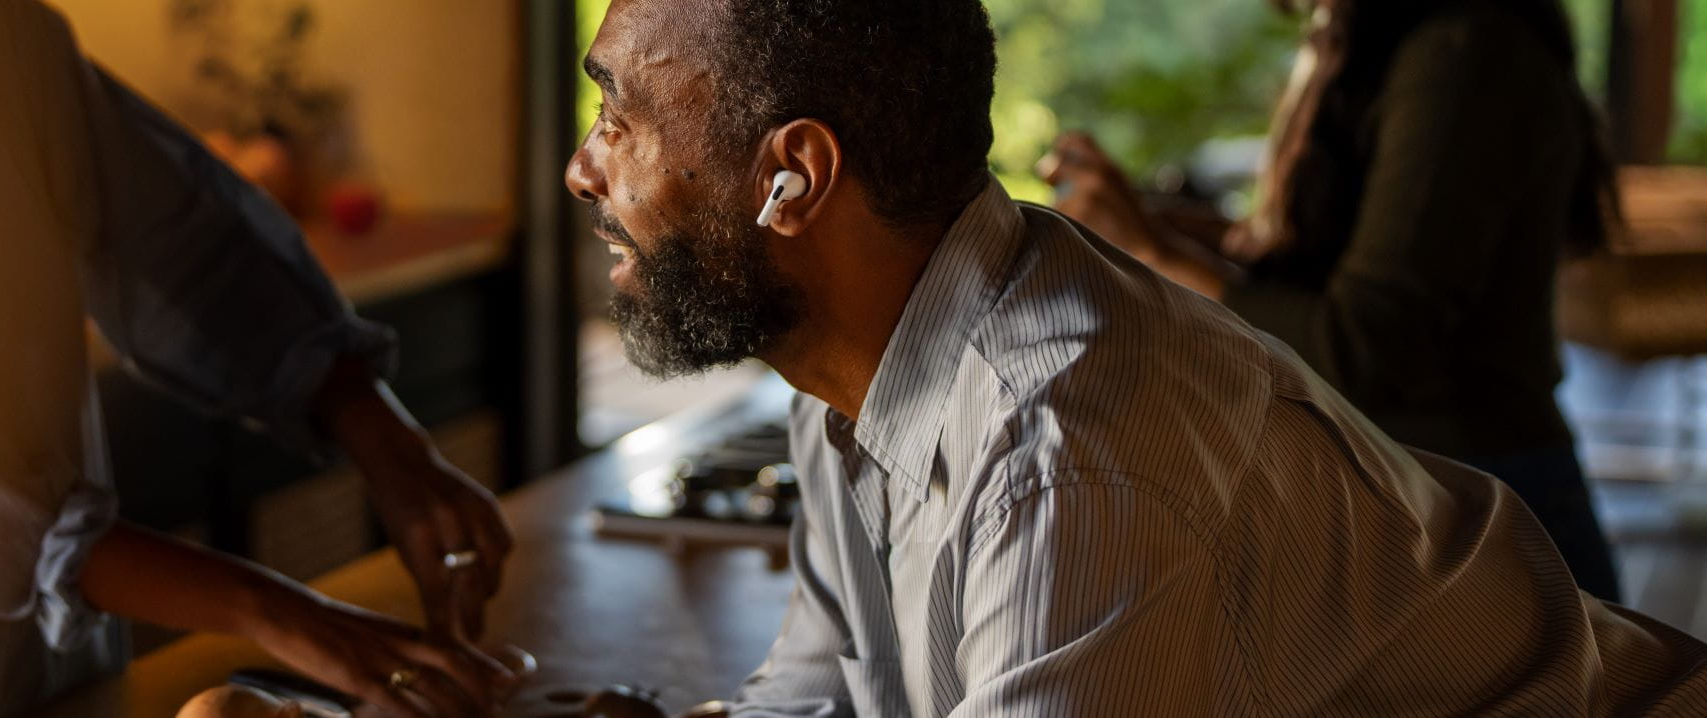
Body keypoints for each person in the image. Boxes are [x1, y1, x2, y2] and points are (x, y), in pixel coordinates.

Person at [566, 0, 1707, 715]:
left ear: (794, 180)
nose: (583, 169)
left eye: (619, 119)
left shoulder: (1065, 450)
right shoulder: (846, 377)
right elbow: (819, 692)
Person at [0, 1, 517, 716]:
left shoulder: (4, 34)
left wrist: (377, 430)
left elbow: (185, 243)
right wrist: (275, 611)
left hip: (64, 677)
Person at [1039, 0, 1625, 601]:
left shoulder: (1465, 52)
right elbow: (1342, 263)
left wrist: (1154, 250)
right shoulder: (1380, 35)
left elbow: (1362, 341)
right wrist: (1161, 232)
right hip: (1420, 497)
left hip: (1477, 519)